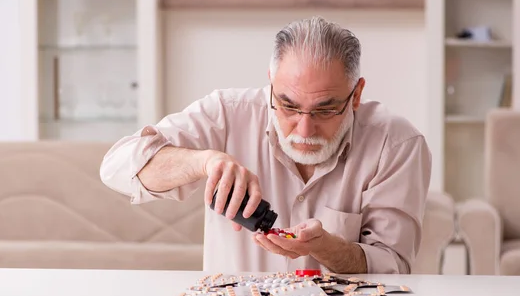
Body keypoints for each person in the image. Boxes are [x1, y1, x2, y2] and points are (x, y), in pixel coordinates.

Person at [100, 16, 432, 275]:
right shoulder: (226, 113)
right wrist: (205, 162)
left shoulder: (397, 144)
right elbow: (117, 168)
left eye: (325, 109)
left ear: (356, 94)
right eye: (287, 105)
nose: (304, 128)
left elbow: (393, 264)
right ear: (271, 84)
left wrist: (327, 248)